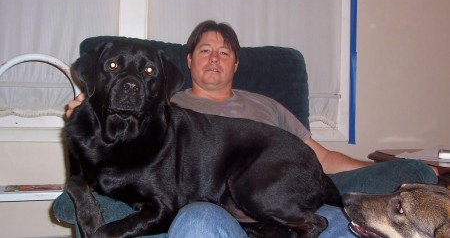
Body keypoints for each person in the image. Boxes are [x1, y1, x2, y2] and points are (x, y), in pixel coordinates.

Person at [63, 20, 438, 237]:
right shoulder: (167, 110)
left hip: (284, 180)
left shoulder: (268, 106)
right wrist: (93, 102)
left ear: (236, 65)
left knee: (357, 215)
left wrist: (383, 170)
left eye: (224, 52)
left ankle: (307, 224)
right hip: (217, 210)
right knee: (195, 220)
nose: (214, 58)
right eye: (204, 50)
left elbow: (322, 158)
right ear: (187, 62)